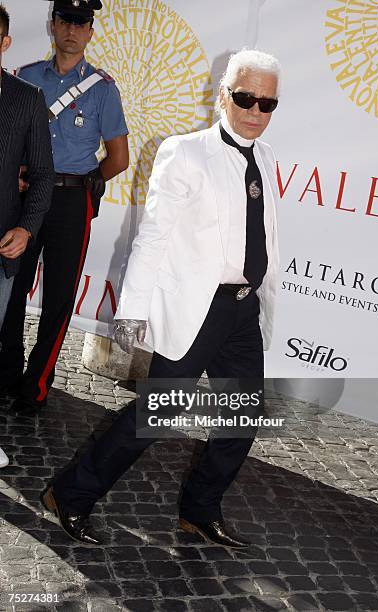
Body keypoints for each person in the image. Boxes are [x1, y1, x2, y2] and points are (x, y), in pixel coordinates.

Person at [42, 49, 280, 547]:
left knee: (241, 418)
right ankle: (71, 494)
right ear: (223, 96)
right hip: (198, 310)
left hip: (243, 312)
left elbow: (262, 239)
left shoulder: (266, 158)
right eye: (246, 98)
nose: (256, 111)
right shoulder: (185, 152)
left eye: (267, 103)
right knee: (156, 416)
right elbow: (152, 238)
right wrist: (130, 314)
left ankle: (199, 509)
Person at [0, 0, 129, 417]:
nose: (72, 30)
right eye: (65, 21)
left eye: (81, 22)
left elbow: (119, 157)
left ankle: (36, 385)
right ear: (52, 26)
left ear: (90, 31)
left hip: (71, 201)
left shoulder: (103, 88)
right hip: (23, 197)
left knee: (58, 297)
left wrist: (89, 183)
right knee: (13, 287)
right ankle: (6, 372)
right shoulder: (24, 79)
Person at [0, 3, 54, 467]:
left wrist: (25, 226)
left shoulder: (26, 99)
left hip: (1, 245)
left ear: (4, 43)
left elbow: (41, 175)